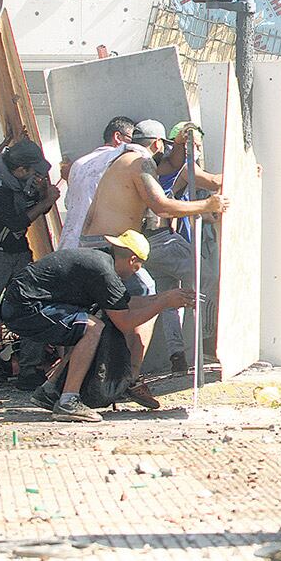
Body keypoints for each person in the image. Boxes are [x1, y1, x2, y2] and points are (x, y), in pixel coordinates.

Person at [81, 119, 228, 404]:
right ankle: (133, 378)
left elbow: (174, 166)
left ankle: (128, 374)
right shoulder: (141, 163)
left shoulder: (123, 158)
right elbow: (162, 205)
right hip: (111, 246)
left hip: (105, 243)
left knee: (141, 299)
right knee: (153, 294)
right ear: (158, 144)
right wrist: (207, 205)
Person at [1, 232, 196, 422]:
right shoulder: (104, 271)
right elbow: (125, 323)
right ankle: (68, 402)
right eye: (138, 266)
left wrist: (166, 297)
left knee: (83, 329)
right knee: (92, 328)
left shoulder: (103, 262)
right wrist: (163, 303)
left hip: (24, 303)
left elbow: (125, 304)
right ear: (132, 259)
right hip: (24, 306)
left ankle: (50, 391)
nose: (136, 272)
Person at [144, 121, 222, 373]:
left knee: (167, 298)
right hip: (162, 239)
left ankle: (177, 354)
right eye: (195, 146)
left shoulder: (154, 167)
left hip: (146, 245)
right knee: (207, 277)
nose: (197, 152)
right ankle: (202, 342)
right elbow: (214, 181)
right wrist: (246, 171)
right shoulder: (182, 168)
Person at [0, 141, 62, 387]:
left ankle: (30, 369)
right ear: (19, 170)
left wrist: (44, 196)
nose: (37, 177)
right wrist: (44, 202)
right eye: (34, 173)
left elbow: (31, 206)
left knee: (31, 304)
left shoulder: (16, 180)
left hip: (18, 250)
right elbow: (17, 222)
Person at [59, 117, 136, 250]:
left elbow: (68, 203)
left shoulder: (79, 163)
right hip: (95, 245)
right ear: (118, 137)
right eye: (132, 139)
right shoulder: (118, 160)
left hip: (68, 243)